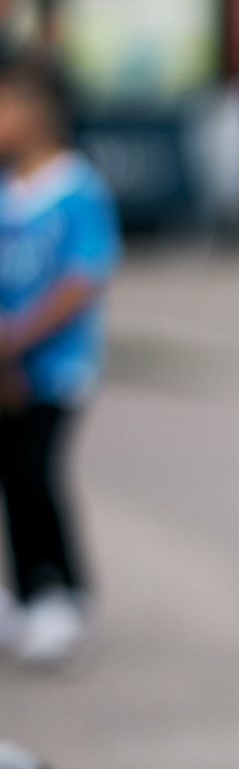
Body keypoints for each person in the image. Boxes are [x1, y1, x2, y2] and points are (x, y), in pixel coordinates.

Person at [0, 51, 119, 666]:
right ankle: (22, 593)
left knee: (35, 472)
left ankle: (63, 592)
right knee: (9, 477)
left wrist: (20, 333)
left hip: (57, 367)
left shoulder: (78, 189)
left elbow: (84, 276)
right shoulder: (7, 191)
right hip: (7, 366)